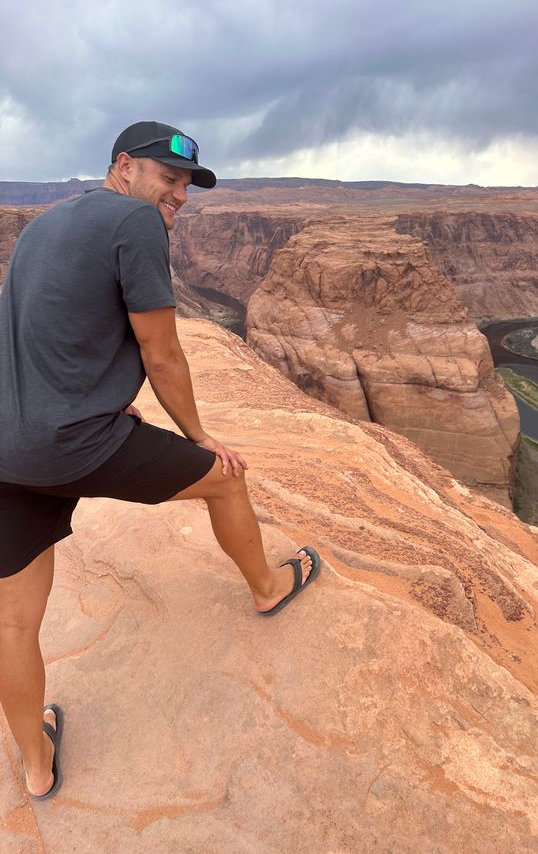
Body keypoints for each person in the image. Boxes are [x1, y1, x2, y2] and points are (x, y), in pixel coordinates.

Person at [0, 121, 320, 802]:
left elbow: (41, 333)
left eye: (185, 186)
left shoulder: (41, 228)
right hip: (79, 443)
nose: (176, 195)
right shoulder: (136, 224)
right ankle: (267, 587)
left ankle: (35, 765)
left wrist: (99, 399)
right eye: (167, 178)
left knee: (13, 622)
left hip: (8, 448)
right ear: (124, 166)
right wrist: (199, 434)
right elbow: (163, 352)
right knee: (226, 480)